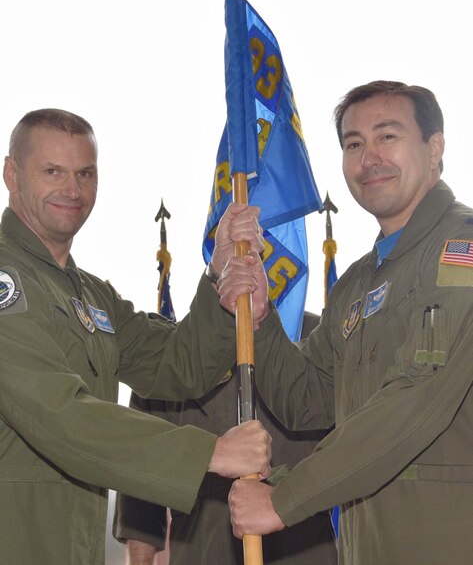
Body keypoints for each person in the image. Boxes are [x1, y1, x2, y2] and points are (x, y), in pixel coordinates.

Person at [0, 108, 272, 565]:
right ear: (11, 174)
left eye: (85, 173)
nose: (72, 190)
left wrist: (219, 275)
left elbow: (177, 366)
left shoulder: (90, 293)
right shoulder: (7, 284)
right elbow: (61, 414)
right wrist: (211, 452)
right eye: (53, 171)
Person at [219, 80, 473, 565]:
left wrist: (285, 498)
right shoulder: (358, 283)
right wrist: (262, 319)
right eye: (353, 144)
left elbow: (414, 399)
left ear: (434, 148)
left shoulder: (460, 253)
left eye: (387, 136)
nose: (369, 158)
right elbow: (307, 400)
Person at [113, 312, 337, 565]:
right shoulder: (177, 349)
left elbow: (354, 458)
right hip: (203, 552)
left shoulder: (321, 337)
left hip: (306, 551)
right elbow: (142, 495)